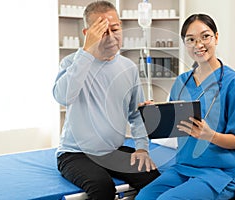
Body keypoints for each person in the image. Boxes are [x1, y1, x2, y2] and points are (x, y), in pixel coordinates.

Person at [136, 13, 235, 200]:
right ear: (185, 44)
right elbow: (174, 125)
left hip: (219, 172)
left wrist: (209, 135)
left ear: (216, 37)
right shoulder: (182, 82)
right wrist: (153, 113)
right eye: (191, 39)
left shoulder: (234, 83)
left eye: (205, 36)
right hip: (184, 166)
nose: (199, 45)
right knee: (144, 197)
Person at [53, 1, 160, 200]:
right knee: (102, 188)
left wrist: (142, 148)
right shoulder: (73, 62)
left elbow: (136, 115)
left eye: (116, 28)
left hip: (112, 151)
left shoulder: (128, 68)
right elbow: (63, 97)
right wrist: (86, 52)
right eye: (102, 31)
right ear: (88, 34)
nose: (111, 37)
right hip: (76, 154)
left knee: (153, 179)